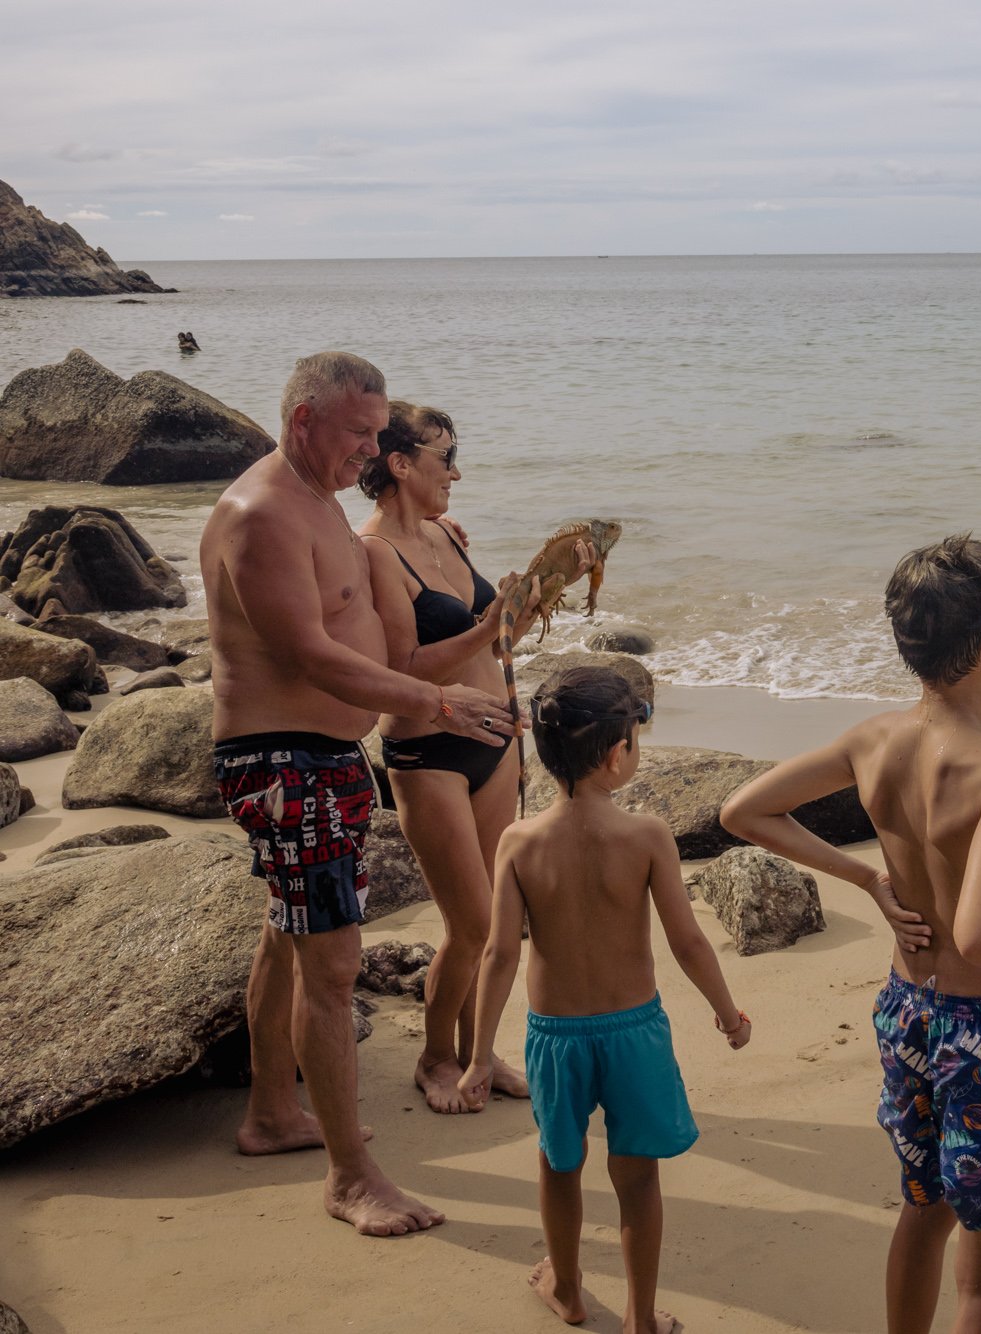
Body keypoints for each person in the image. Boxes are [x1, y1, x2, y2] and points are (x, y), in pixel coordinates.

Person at [721, 536, 981, 1334]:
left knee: (924, 1210)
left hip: (908, 1014)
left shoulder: (873, 740)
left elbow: (742, 811)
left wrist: (867, 880)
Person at [200, 350, 517, 1236]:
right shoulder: (263, 512)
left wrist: (473, 619)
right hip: (281, 760)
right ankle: (350, 1178)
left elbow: (382, 642)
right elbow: (307, 651)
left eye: (380, 437)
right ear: (305, 420)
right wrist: (432, 701)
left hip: (325, 754)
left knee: (289, 936)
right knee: (333, 967)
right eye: (357, 434)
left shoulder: (324, 510)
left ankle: (273, 1113)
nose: (370, 453)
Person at [459, 665, 749, 1334]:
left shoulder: (519, 841)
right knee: (637, 1178)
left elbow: (499, 954)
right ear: (619, 755)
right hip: (634, 1034)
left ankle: (568, 1287)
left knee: (559, 1162)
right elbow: (690, 943)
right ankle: (642, 1319)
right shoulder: (645, 836)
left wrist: (478, 1057)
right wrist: (727, 1014)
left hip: (555, 1036)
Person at [356, 401, 558, 1114]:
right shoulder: (376, 551)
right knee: (469, 925)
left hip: (494, 741)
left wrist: (532, 599)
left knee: (498, 922)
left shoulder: (445, 530)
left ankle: (482, 1054)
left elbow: (493, 636)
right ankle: (436, 1058)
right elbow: (403, 662)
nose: (457, 471)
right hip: (430, 748)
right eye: (445, 457)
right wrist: (488, 627)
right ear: (402, 464)